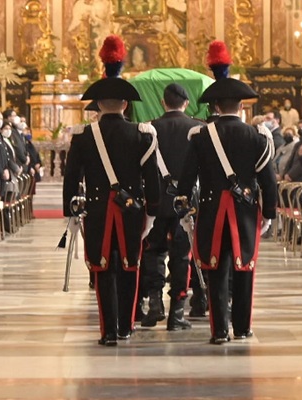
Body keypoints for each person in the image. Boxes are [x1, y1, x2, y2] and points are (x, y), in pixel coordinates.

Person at [177, 40, 276, 344]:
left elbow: (187, 177)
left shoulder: (201, 136)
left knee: (215, 269)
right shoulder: (258, 136)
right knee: (244, 268)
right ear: (242, 107)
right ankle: (243, 327)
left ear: (216, 107)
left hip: (210, 211)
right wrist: (269, 213)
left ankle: (219, 330)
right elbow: (268, 179)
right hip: (245, 210)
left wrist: (183, 203)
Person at [63, 35, 160, 346]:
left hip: (98, 212)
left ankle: (107, 331)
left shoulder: (83, 136)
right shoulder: (141, 134)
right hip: (132, 210)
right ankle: (126, 326)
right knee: (131, 268)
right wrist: (153, 211)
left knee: (102, 270)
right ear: (126, 104)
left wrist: (70, 208)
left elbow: (71, 177)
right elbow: (152, 178)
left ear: (98, 105)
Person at [139, 83, 203, 330]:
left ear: (163, 103)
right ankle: (177, 312)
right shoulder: (198, 128)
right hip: (186, 202)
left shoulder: (149, 129)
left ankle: (155, 305)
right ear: (186, 103)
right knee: (182, 256)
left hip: (155, 200)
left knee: (153, 251)